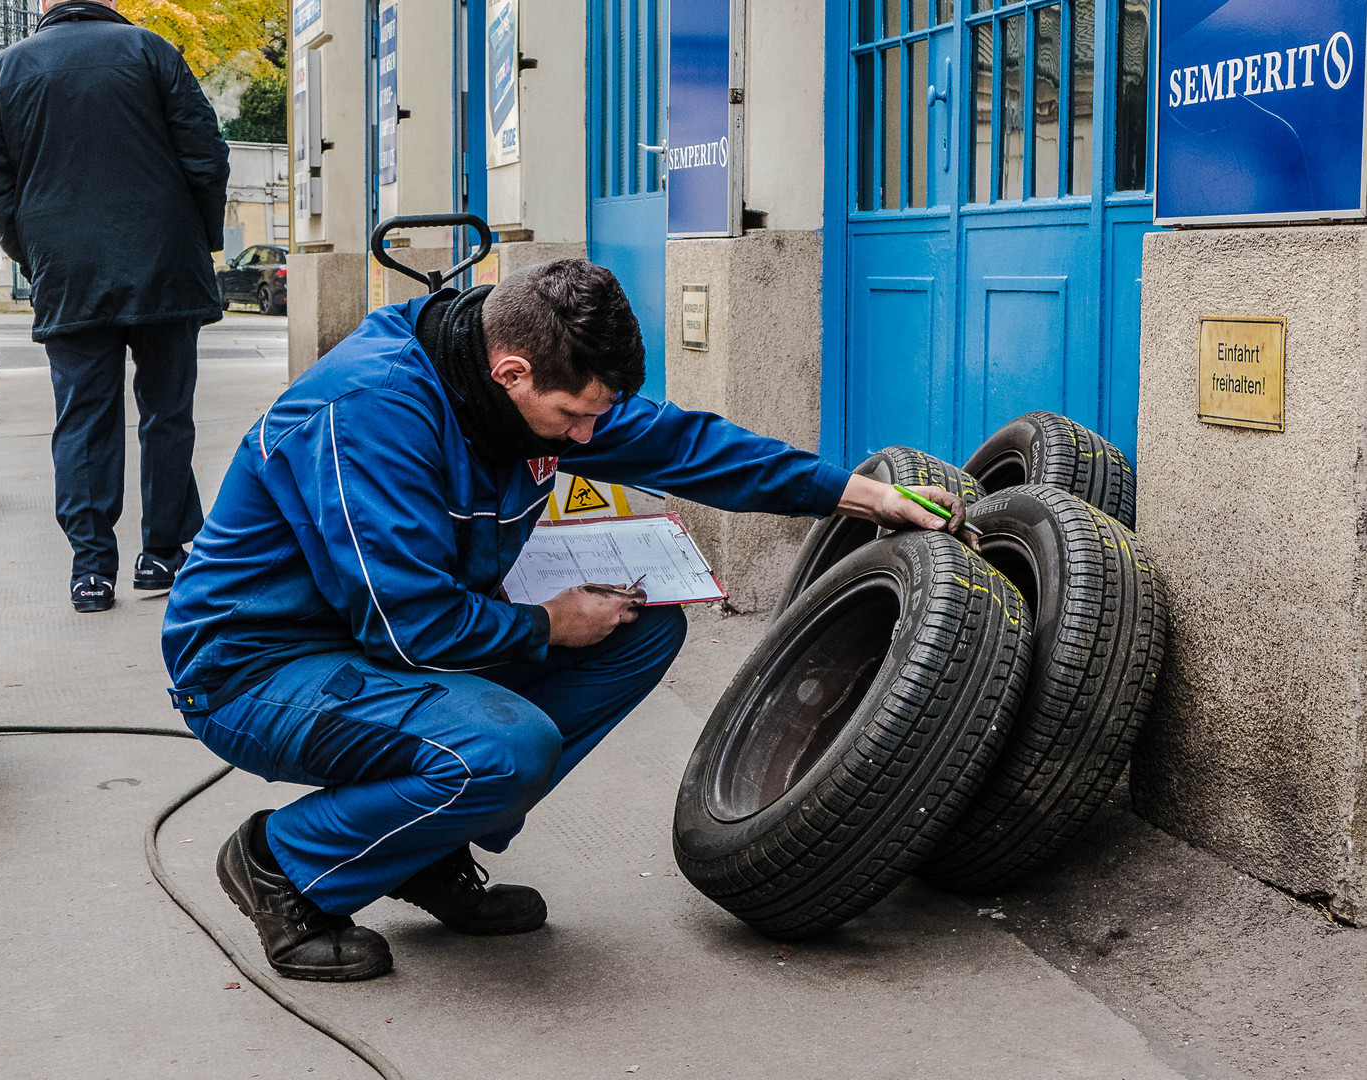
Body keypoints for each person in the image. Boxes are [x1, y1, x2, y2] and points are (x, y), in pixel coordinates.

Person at [161, 262, 974, 981]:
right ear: (511, 372)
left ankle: (423, 845)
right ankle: (286, 865)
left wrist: (859, 494)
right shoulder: (370, 413)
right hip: (257, 667)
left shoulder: (528, 384)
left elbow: (684, 446)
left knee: (644, 628)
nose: (588, 437)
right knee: (505, 746)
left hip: (374, 641)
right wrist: (547, 625)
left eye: (597, 416)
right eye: (573, 419)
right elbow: (410, 628)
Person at [0, 0, 231, 613]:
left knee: (83, 419)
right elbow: (206, 154)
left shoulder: (5, 69)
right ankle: (161, 555)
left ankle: (91, 570)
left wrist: (35, 250)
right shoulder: (152, 51)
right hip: (164, 261)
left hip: (68, 267)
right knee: (168, 414)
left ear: (46, 9)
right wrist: (201, 236)